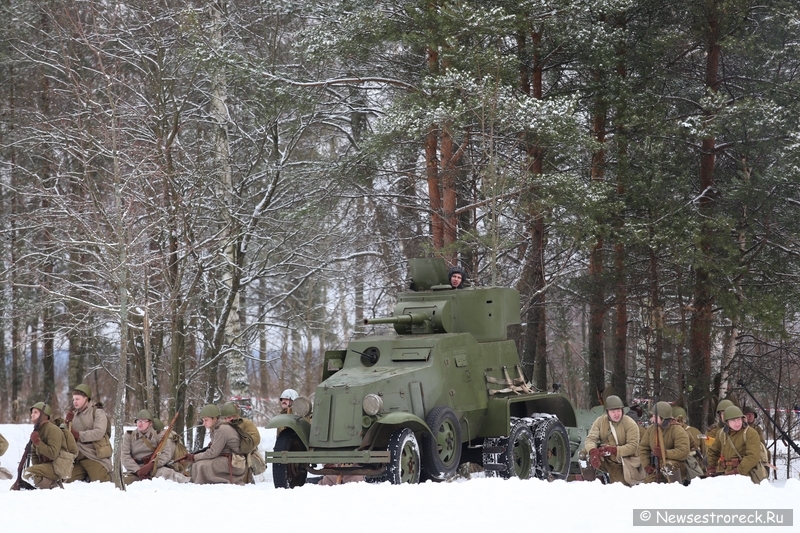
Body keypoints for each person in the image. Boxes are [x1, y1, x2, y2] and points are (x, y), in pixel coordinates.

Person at [582, 395, 643, 486]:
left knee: (620, 489)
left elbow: (633, 446)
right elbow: (591, 439)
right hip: (604, 459)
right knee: (584, 455)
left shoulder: (630, 423)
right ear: (607, 412)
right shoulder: (600, 421)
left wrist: (613, 450)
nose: (616, 414)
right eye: (613, 411)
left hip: (621, 462)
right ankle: (591, 485)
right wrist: (593, 451)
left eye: (618, 411)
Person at [184, 404, 246, 485]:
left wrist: (194, 457)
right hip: (228, 459)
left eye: (206, 420)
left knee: (202, 465)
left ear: (215, 419)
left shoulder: (222, 429)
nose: (204, 423)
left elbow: (213, 452)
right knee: (197, 464)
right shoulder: (218, 428)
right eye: (203, 420)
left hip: (235, 463)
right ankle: (197, 483)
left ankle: (201, 485)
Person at [121, 409, 188, 484]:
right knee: (124, 481)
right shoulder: (129, 436)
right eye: (138, 420)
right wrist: (137, 470)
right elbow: (125, 456)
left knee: (168, 474)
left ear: (150, 423)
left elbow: (166, 454)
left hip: (155, 468)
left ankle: (188, 483)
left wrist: (152, 465)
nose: (140, 423)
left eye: (144, 421)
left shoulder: (158, 435)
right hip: (135, 469)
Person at [65, 383, 112, 483]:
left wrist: (78, 435)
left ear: (86, 398)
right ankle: (86, 474)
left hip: (94, 455)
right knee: (66, 479)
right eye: (73, 399)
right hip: (78, 456)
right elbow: (66, 435)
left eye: (78, 399)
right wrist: (67, 422)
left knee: (101, 481)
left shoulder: (98, 412)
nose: (75, 402)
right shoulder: (73, 414)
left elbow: (99, 432)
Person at [707, 406, 766, 483]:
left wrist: (738, 471)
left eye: (739, 419)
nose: (737, 423)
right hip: (724, 473)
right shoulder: (721, 433)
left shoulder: (750, 433)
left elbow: (753, 456)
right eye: (733, 421)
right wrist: (711, 467)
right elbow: (713, 451)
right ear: (727, 422)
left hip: (745, 475)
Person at [22, 402, 71, 489]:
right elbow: (34, 454)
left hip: (57, 467)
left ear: (44, 415)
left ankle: (53, 485)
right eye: (32, 413)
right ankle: (51, 484)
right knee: (33, 475)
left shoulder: (53, 430)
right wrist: (38, 468)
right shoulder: (37, 431)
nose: (32, 415)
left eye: (35, 412)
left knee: (28, 472)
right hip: (46, 467)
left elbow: (53, 454)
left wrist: (38, 442)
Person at [639, 401, 690, 484]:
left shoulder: (677, 430)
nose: (652, 418)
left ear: (663, 417)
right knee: (647, 484)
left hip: (677, 467)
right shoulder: (651, 430)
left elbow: (684, 451)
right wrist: (646, 465)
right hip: (658, 468)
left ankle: (676, 488)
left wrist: (664, 453)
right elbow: (643, 448)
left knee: (669, 466)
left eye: (655, 416)